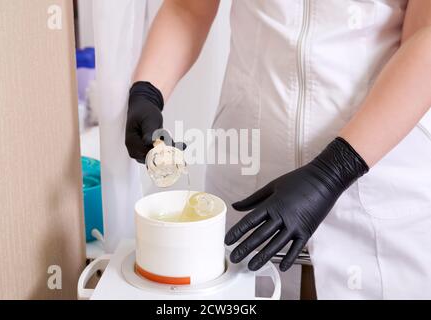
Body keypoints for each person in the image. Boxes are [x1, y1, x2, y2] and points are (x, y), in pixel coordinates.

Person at [125, 0, 431, 299]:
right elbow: (188, 8)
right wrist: (147, 91)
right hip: (249, 176)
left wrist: (333, 171)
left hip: (374, 173)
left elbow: (425, 37)